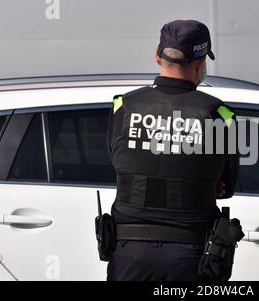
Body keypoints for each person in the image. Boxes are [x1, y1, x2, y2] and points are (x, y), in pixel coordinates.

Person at [106, 20, 240, 281]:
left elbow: (120, 162)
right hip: (192, 255)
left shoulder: (123, 106)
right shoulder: (218, 114)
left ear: (157, 56)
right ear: (201, 63)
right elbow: (228, 186)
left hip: (128, 254)